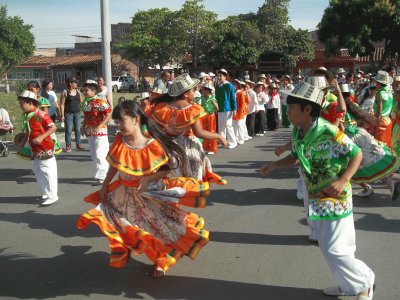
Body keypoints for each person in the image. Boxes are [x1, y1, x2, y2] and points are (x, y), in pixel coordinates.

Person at [260, 81, 375, 300]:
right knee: (327, 247)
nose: (288, 110)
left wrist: (343, 180)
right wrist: (274, 165)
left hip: (336, 197)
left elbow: (356, 153)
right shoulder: (297, 131)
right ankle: (347, 286)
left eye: (292, 107)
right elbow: (296, 157)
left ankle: (364, 283)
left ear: (307, 109)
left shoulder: (328, 130)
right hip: (315, 198)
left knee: (336, 249)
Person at [76, 100, 210, 278]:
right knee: (122, 224)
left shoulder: (152, 144)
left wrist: (149, 178)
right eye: (116, 122)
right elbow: (114, 166)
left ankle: (160, 261)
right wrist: (105, 185)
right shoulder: (119, 140)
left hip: (147, 196)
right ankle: (130, 248)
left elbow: (169, 167)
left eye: (121, 121)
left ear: (135, 119)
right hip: (123, 194)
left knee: (157, 230)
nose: (118, 126)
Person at [152, 73, 227, 182]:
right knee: (192, 182)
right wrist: (219, 136)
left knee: (174, 182)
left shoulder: (163, 108)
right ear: (186, 94)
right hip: (190, 149)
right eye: (193, 90)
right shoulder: (191, 109)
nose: (195, 93)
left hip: (170, 148)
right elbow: (199, 133)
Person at [16, 90, 59, 206]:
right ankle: (45, 193)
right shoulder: (28, 116)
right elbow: (27, 132)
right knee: (38, 171)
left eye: (22, 104)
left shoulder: (41, 114)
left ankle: (53, 195)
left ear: (30, 103)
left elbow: (53, 128)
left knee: (47, 171)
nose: (21, 107)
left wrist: (41, 137)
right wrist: (23, 142)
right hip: (35, 149)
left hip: (45, 147)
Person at [81, 80, 111, 184]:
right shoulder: (85, 103)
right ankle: (102, 172)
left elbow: (108, 115)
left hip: (100, 131)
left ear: (93, 91)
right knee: (94, 154)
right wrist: (83, 126)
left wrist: (99, 126)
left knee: (99, 154)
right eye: (83, 90)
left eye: (87, 90)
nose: (84, 92)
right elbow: (86, 116)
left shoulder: (101, 102)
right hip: (90, 131)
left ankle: (103, 175)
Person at [60, 77, 84, 152]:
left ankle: (78, 144)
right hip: (68, 114)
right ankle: (68, 145)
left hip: (77, 113)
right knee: (69, 130)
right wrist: (62, 115)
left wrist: (84, 112)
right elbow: (62, 104)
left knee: (77, 129)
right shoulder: (65, 92)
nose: (76, 84)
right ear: (70, 84)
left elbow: (81, 103)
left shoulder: (78, 92)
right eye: (75, 82)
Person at [215, 69, 237, 149]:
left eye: (221, 76)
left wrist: (234, 109)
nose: (219, 77)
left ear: (225, 76)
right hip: (220, 108)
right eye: (218, 76)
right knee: (221, 126)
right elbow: (216, 97)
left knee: (228, 125)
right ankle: (223, 141)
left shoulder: (229, 85)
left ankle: (233, 142)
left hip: (228, 109)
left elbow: (233, 98)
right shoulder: (217, 85)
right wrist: (216, 107)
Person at [373, 71, 394, 147]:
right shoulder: (390, 93)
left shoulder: (379, 94)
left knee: (379, 145)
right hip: (388, 120)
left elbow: (379, 113)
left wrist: (374, 124)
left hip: (381, 122)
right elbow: (391, 109)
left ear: (378, 83)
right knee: (387, 144)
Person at [200, 82, 219, 154]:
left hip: (211, 116)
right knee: (204, 131)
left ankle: (212, 148)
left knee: (211, 131)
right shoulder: (203, 98)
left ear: (207, 91)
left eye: (203, 90)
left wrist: (214, 110)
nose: (202, 91)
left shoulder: (212, 98)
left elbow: (217, 108)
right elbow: (202, 106)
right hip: (204, 115)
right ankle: (206, 147)